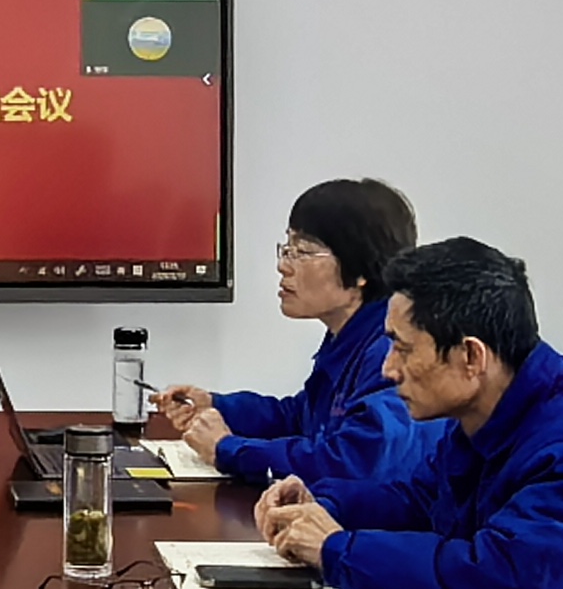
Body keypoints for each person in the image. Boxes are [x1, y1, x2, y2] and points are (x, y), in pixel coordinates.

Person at [252, 236, 563, 589]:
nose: (388, 370)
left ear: (471, 357)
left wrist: (336, 550)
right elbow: (421, 500)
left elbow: (499, 582)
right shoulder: (485, 406)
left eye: (403, 349)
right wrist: (324, 504)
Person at [152, 177, 419, 495]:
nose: (283, 266)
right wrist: (216, 405)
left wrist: (228, 449)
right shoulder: (349, 335)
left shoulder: (392, 349)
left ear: (361, 269)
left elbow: (353, 461)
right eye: (287, 249)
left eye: (302, 252)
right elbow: (300, 418)